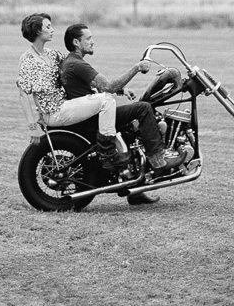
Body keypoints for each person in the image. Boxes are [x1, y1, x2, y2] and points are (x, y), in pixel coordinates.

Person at [61, 22, 170, 205]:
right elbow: (108, 86)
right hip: (93, 119)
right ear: (76, 42)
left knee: (132, 126)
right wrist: (136, 68)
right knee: (143, 108)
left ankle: (135, 189)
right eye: (88, 38)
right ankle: (158, 161)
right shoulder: (77, 64)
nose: (92, 42)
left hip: (90, 115)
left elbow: (97, 88)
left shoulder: (72, 63)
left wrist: (121, 90)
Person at [16, 12, 127, 170]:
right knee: (106, 100)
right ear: (38, 32)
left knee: (105, 97)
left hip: (65, 106)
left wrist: (117, 86)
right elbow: (23, 94)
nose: (53, 30)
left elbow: (75, 66)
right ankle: (107, 152)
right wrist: (32, 127)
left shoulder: (53, 54)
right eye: (48, 27)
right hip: (52, 113)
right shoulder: (27, 60)